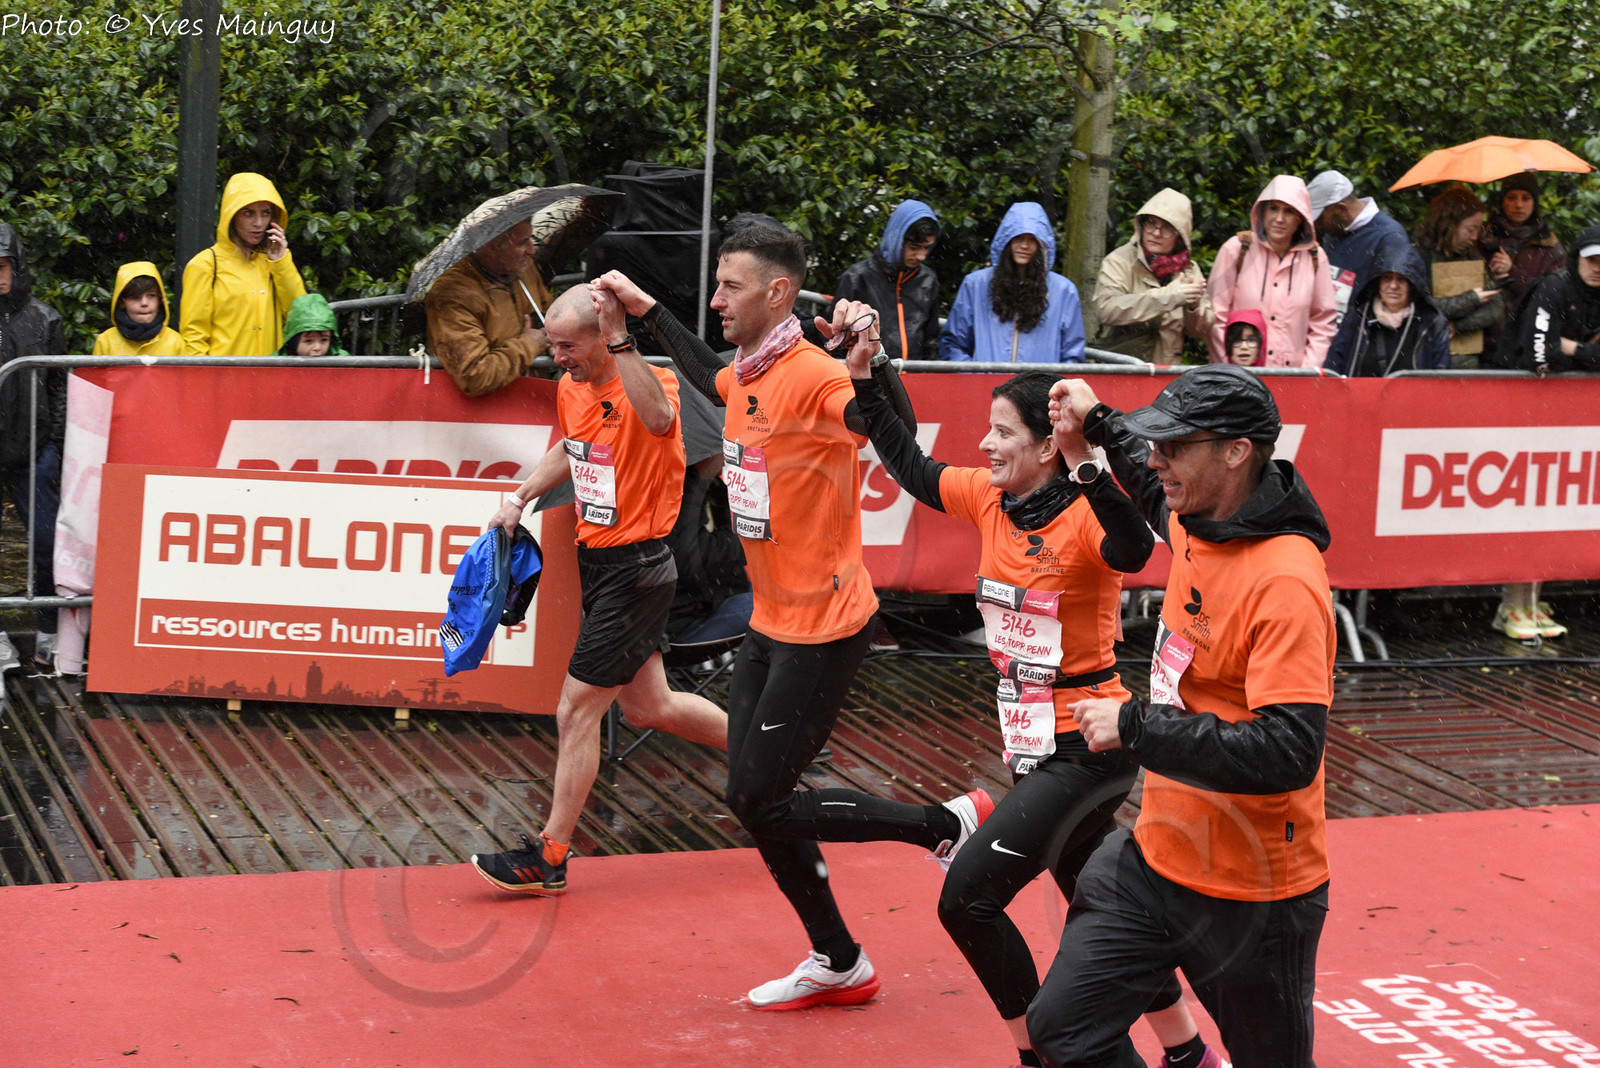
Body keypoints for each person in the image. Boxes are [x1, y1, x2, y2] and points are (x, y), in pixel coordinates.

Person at [593, 225, 991, 1011]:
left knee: (760, 797)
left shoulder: (812, 373)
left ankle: (938, 825)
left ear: (778, 293)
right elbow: (708, 375)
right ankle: (838, 958)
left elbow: (892, 428)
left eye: (730, 286)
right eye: (715, 285)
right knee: (755, 798)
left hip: (827, 626)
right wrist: (645, 312)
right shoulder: (750, 370)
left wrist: (875, 362)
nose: (716, 300)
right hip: (772, 622)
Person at [846, 355, 1224, 1068]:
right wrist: (866, 377)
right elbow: (910, 464)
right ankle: (1188, 1053)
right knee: (1100, 904)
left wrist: (1089, 467)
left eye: (1001, 432)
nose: (984, 445)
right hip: (1030, 740)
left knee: (966, 900)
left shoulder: (1084, 512)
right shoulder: (988, 498)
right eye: (986, 431)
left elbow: (1134, 548)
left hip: (1092, 741)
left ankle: (1036, 1056)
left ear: (1048, 444)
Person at [1029, 364, 1336, 1068]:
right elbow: (1145, 481)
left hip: (1253, 891)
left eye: (1174, 445)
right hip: (1156, 859)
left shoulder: (1285, 580)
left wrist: (1137, 727)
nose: (1157, 459)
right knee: (1062, 1029)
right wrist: (1097, 419)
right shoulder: (1197, 513)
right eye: (1155, 443)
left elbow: (1290, 751)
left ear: (1235, 452)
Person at [468, 285, 729, 895]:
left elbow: (660, 420)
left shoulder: (652, 383)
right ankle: (769, 759)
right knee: (651, 707)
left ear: (601, 336)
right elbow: (573, 446)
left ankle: (549, 855)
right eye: (552, 344)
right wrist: (519, 498)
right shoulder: (572, 385)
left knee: (576, 709)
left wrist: (620, 338)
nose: (555, 356)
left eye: (568, 345)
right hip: (600, 564)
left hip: (638, 567)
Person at [1493, 225, 1600, 641]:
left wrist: (1572, 348)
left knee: (1552, 509)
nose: (1598, 268)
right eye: (1592, 260)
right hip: (1521, 412)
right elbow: (1541, 356)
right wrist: (1581, 351)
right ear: (1577, 259)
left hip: (1568, 420)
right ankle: (1513, 604)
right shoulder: (1552, 289)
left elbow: (1563, 352)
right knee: (1525, 505)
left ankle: (1530, 600)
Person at [0, 222, 66, 673]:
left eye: (3, 265)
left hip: (32, 452)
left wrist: (52, 447)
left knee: (47, 543)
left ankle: (49, 626)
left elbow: (61, 387)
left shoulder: (45, 319)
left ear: (17, 265)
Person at [1207, 175, 1337, 367]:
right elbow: (1215, 315)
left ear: (1300, 218)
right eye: (1273, 208)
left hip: (1292, 377)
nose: (1279, 219)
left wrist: (1306, 370)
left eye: (1289, 211)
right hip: (1238, 373)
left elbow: (1323, 322)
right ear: (1262, 211)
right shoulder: (1236, 249)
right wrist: (1229, 367)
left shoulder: (1315, 257)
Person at [179, 172, 308, 356]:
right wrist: (203, 374)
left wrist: (280, 262)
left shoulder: (275, 261)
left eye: (266, 213)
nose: (259, 223)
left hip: (270, 371)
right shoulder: (205, 264)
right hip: (224, 373)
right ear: (232, 216)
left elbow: (301, 317)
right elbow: (194, 336)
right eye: (249, 213)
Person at [941, 202, 1086, 363]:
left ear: (1042, 245)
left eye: (1032, 240)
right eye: (1018, 237)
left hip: (1040, 380)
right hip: (984, 380)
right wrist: (974, 376)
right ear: (1006, 240)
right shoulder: (976, 284)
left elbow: (1072, 355)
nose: (1024, 245)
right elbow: (954, 345)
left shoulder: (1064, 290)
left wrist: (1049, 380)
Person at [425, 217, 554, 396]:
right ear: (492, 248)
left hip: (530, 399)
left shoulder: (523, 269)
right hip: (482, 408)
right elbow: (474, 376)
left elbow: (550, 316)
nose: (531, 250)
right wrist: (529, 345)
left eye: (530, 239)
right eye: (522, 243)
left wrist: (556, 341)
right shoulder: (453, 294)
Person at [1092, 188, 1213, 362]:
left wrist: (1193, 307)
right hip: (1121, 367)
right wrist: (1170, 296)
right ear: (1141, 225)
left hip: (1167, 370)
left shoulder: (1189, 270)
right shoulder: (1119, 260)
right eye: (1151, 224)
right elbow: (1107, 310)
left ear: (1180, 236)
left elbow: (1200, 331)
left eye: (1167, 228)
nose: (1156, 233)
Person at [828, 199, 942, 361]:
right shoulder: (857, 278)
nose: (921, 256)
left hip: (916, 373)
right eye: (914, 247)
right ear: (897, 239)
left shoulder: (928, 280)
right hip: (868, 372)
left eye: (927, 247)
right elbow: (836, 339)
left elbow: (931, 340)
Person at [1478, 173, 1565, 367]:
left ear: (1534, 202)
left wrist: (1513, 273)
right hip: (1483, 346)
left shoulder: (1549, 246)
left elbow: (1553, 297)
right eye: (1512, 197)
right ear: (1502, 201)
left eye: (1526, 198)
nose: (1518, 205)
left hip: (1529, 346)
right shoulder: (1481, 240)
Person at [1412, 186, 1503, 369]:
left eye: (1478, 230)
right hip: (1426, 361)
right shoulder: (1418, 257)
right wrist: (1471, 299)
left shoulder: (1471, 255)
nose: (1475, 237)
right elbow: (1420, 307)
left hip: (1467, 363)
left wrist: (1458, 325)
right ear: (1449, 225)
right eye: (1470, 229)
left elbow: (1495, 306)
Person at [1324, 245, 1451, 376]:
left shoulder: (1431, 322)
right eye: (1387, 278)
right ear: (1378, 282)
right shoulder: (1357, 318)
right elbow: (1334, 368)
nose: (1393, 286)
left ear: (1412, 284)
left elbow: (1442, 377)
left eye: (1401, 279)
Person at [1306, 169, 1412, 323]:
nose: (1317, 225)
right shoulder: (1334, 233)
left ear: (1341, 209)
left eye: (1320, 219)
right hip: (1327, 330)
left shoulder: (1390, 237)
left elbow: (1394, 302)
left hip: (1365, 332)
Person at [91, 262, 185, 356]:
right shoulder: (106, 342)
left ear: (160, 300)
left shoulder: (175, 342)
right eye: (135, 297)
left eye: (151, 296)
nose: (144, 303)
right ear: (121, 302)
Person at [277, 293, 350, 357]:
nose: (317, 348)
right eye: (308, 341)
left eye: (324, 340)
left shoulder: (343, 360)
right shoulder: (277, 362)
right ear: (293, 342)